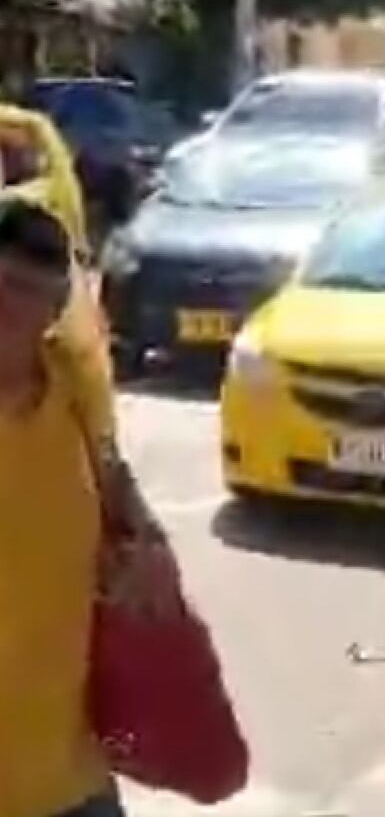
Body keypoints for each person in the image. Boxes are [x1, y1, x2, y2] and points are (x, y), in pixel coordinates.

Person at [0, 196, 176, 817]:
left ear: (53, 307)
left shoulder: (71, 387)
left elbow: (112, 475)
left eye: (24, 289)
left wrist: (150, 543)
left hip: (67, 761)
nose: (6, 305)